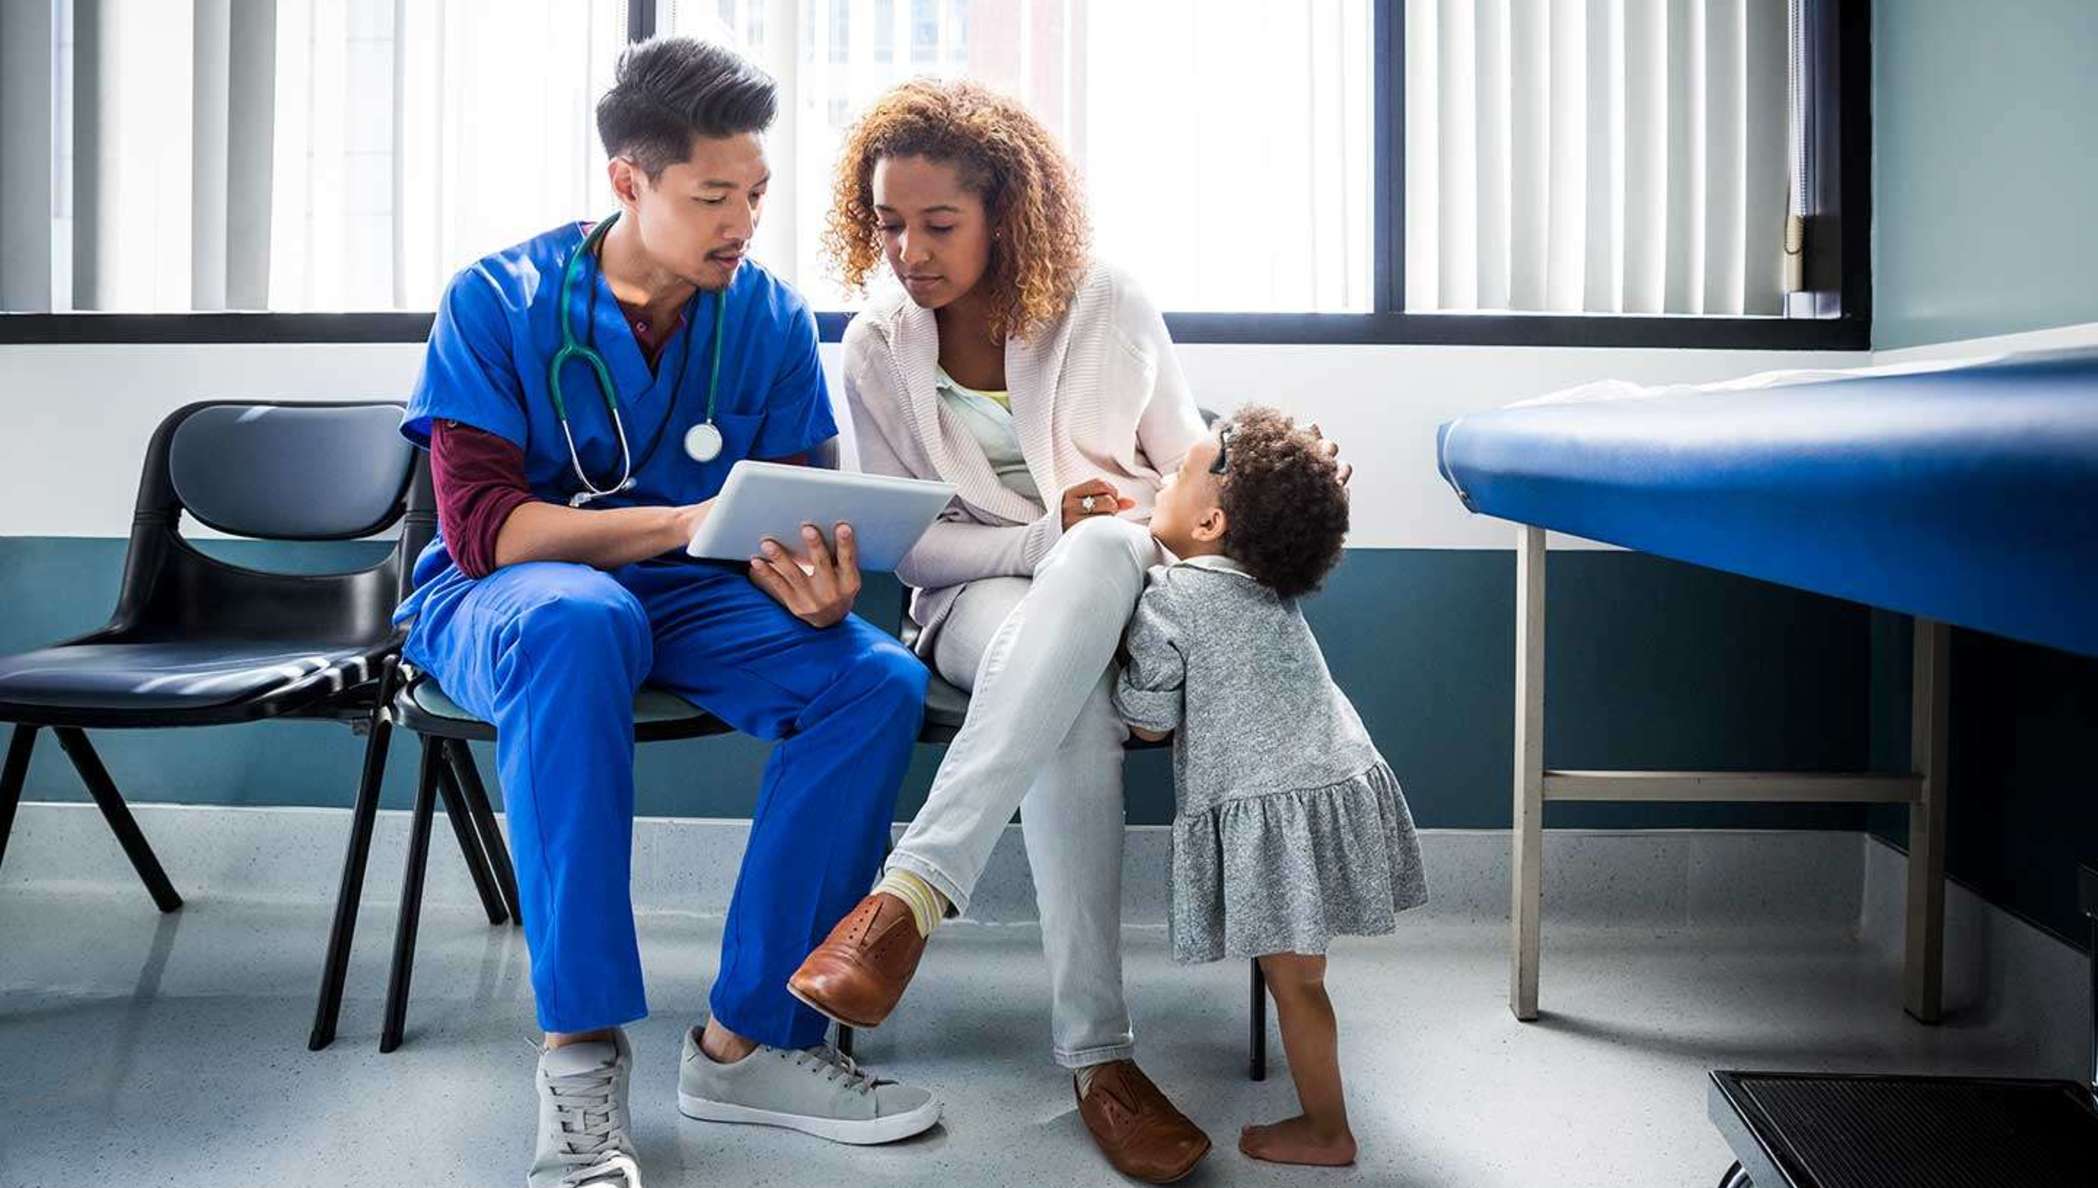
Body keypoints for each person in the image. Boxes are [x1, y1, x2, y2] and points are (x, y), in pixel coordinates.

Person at [394, 38, 940, 1188]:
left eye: (756, 194)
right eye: (712, 196)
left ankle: (749, 1043)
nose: (742, 221)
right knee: (579, 622)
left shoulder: (770, 320)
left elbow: (804, 506)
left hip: (694, 598)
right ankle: (579, 1050)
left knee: (872, 677)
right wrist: (683, 525)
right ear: (628, 182)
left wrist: (820, 575)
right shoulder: (498, 299)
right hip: (507, 598)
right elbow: (489, 526)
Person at [783, 78, 1348, 1184]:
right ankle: (1099, 1060)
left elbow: (1188, 480)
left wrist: (1256, 487)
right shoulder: (875, 347)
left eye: (937, 224)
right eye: (888, 223)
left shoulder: (1106, 304)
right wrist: (1037, 538)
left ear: (1004, 211)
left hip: (1127, 581)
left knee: (1096, 556)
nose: (909, 250)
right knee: (1068, 681)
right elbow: (913, 546)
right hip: (973, 601)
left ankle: (906, 898)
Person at [1116, 407, 1428, 1167]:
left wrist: (1116, 672)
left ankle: (1328, 1131)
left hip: (1274, 803)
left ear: (1213, 519)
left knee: (1297, 986)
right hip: (1332, 782)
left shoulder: (1173, 596)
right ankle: (1326, 1123)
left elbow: (1150, 722)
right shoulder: (1267, 581)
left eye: (1178, 474)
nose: (1161, 478)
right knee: (1303, 979)